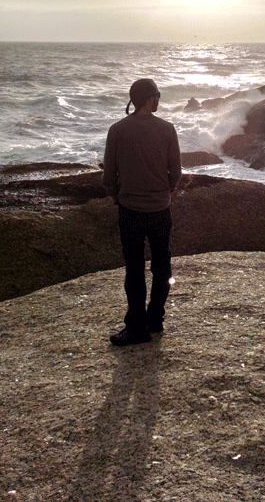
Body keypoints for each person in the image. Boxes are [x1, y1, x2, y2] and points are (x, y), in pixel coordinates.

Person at [103, 78, 182, 346]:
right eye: (158, 94)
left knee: (134, 269)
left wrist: (116, 196)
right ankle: (155, 319)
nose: (159, 99)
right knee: (162, 264)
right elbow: (176, 173)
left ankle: (137, 327)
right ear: (149, 99)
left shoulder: (117, 130)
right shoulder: (167, 129)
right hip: (161, 209)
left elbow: (108, 175)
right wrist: (165, 191)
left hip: (129, 210)